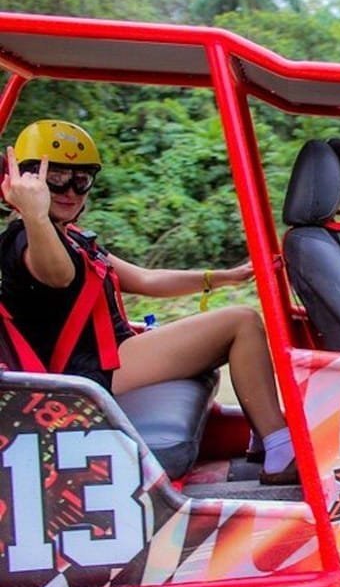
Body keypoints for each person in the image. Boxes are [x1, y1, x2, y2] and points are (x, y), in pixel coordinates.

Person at [0, 119, 297, 485]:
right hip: (91, 375)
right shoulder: (26, 243)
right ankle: (279, 449)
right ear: (26, 181)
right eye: (56, 178)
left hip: (113, 356)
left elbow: (145, 279)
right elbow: (58, 274)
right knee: (241, 322)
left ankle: (265, 437)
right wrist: (33, 213)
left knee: (236, 322)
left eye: (81, 180)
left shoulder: (73, 237)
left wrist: (225, 276)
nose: (70, 191)